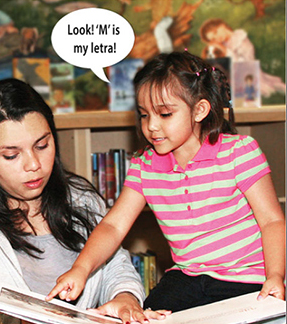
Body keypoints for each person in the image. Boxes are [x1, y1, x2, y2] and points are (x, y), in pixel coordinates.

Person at [47, 51, 286, 312]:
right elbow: (114, 225)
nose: (152, 126)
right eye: (144, 115)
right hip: (187, 278)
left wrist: (275, 275)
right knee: (147, 316)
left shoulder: (239, 152)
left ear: (200, 110)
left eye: (165, 114)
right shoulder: (144, 165)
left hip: (246, 278)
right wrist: (81, 269)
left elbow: (272, 220)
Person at [0, 78, 170, 324]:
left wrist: (126, 298)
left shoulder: (81, 198)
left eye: (42, 145)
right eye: (11, 155)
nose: (33, 165)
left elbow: (115, 266)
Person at [199, 18, 285, 98]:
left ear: (222, 25)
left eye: (215, 33)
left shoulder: (240, 39)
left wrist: (226, 51)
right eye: (213, 39)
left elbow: (244, 63)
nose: (217, 38)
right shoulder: (223, 46)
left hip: (248, 72)